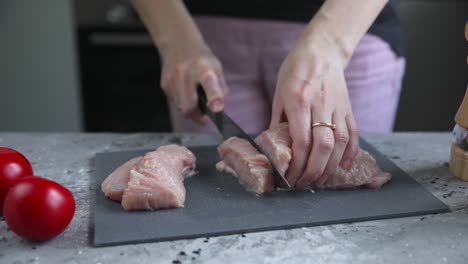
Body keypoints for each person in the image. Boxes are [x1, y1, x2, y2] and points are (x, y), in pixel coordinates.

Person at [130, 0, 406, 189]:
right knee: (217, 194)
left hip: (347, 27)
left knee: (345, 198)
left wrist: (330, 44)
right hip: (199, 35)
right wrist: (174, 37)